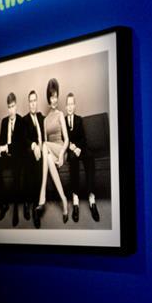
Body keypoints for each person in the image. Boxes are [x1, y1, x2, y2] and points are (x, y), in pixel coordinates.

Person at [0, 92, 24, 226]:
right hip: (5, 157)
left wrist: (6, 148)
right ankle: (4, 205)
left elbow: (20, 145)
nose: (11, 110)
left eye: (13, 106)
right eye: (9, 107)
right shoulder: (4, 122)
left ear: (16, 106)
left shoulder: (21, 121)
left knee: (16, 168)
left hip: (16, 156)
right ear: (7, 107)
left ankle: (15, 208)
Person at [38, 78, 70, 224]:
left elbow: (67, 140)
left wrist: (62, 154)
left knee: (45, 145)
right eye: (52, 97)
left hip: (61, 148)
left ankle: (42, 192)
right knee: (48, 156)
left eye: (56, 96)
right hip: (51, 151)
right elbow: (45, 147)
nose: (54, 99)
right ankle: (63, 199)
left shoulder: (60, 114)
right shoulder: (45, 120)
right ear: (48, 98)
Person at [64, 92, 99, 223]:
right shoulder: (63, 120)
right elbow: (63, 139)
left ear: (75, 105)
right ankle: (75, 199)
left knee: (90, 157)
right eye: (68, 104)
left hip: (81, 148)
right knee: (73, 160)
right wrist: (71, 147)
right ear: (66, 106)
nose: (70, 107)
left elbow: (84, 138)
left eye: (72, 104)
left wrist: (78, 147)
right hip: (71, 150)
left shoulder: (79, 119)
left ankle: (91, 198)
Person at [23, 89, 47, 228]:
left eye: (34, 101)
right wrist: (34, 146)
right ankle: (32, 205)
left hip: (42, 150)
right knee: (32, 158)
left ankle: (34, 205)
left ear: (37, 102)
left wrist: (43, 146)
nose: (33, 104)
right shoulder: (25, 120)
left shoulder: (41, 117)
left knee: (41, 159)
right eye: (30, 101)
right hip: (31, 152)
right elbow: (24, 138)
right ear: (28, 103)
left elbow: (46, 135)